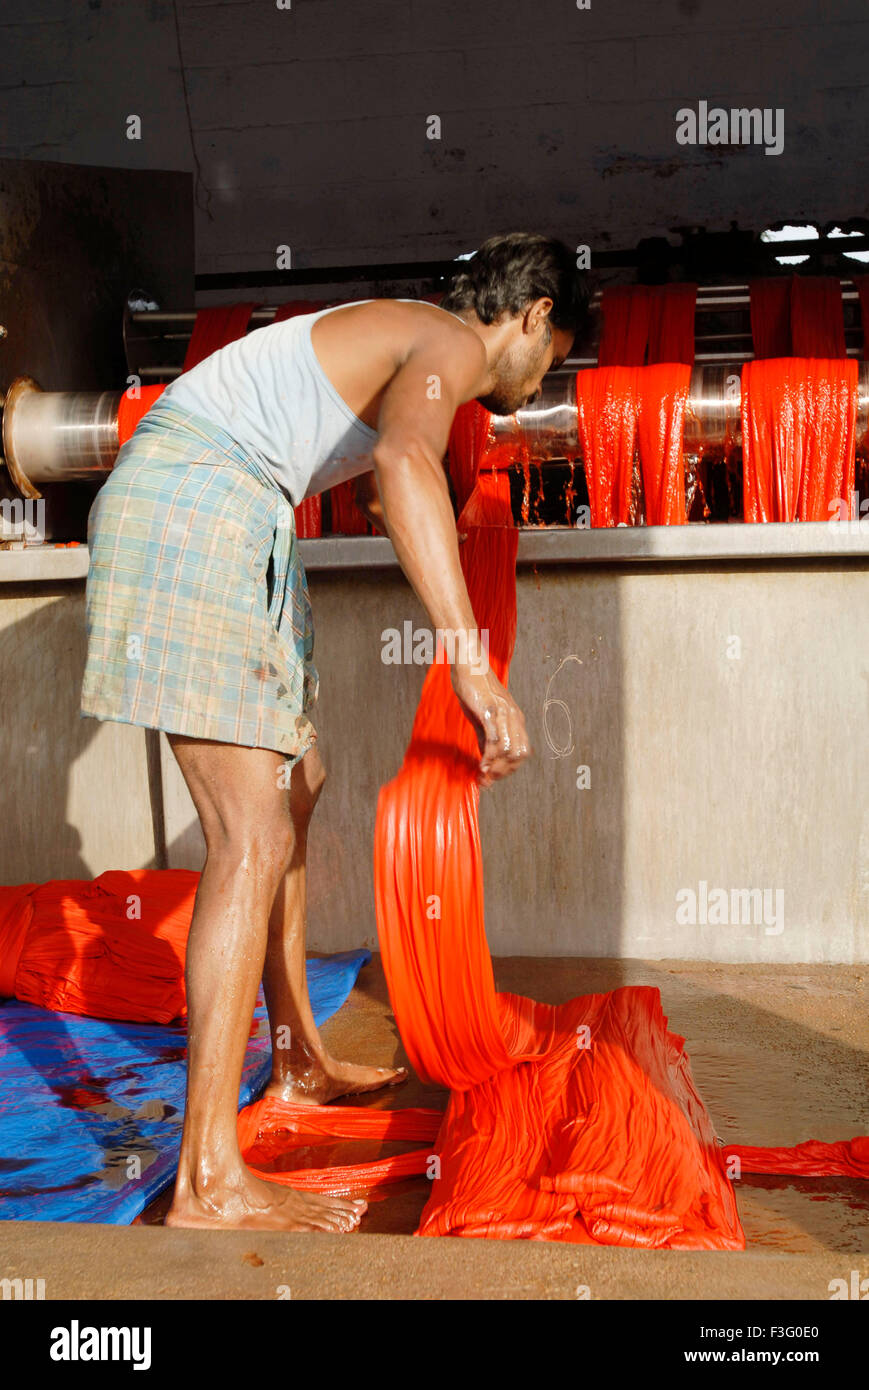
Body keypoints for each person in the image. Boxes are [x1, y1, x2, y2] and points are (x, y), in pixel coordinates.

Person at [80, 231, 587, 1231]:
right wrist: (470, 664)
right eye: (555, 355)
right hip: (197, 500)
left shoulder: (412, 346)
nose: (540, 379)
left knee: (295, 786)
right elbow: (398, 462)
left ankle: (298, 1059)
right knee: (251, 833)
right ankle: (206, 1182)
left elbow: (379, 468)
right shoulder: (450, 341)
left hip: (242, 506)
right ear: (530, 316)